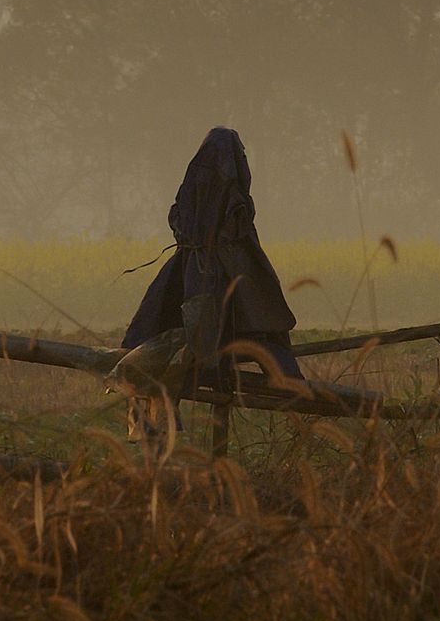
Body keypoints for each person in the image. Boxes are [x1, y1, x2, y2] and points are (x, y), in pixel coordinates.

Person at [110, 127, 300, 451]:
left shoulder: (191, 194)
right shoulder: (233, 201)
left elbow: (181, 221)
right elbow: (241, 244)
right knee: (258, 328)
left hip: (188, 275)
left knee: (155, 334)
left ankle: (154, 427)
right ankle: (289, 389)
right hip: (213, 276)